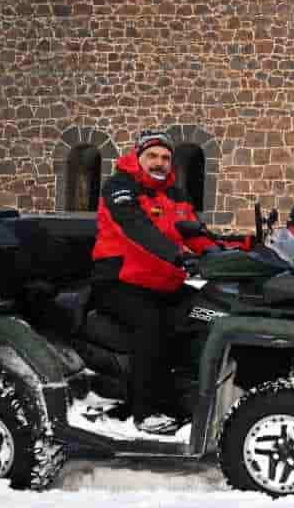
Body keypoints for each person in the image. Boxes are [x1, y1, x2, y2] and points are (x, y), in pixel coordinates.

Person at [90, 130, 221, 434]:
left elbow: (194, 231)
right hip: (119, 281)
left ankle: (182, 398)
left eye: (165, 157)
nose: (160, 163)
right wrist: (178, 256)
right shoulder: (120, 187)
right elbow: (137, 229)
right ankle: (145, 411)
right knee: (151, 325)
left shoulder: (175, 192)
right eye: (152, 156)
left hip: (162, 283)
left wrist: (227, 250)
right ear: (138, 157)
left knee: (206, 311)